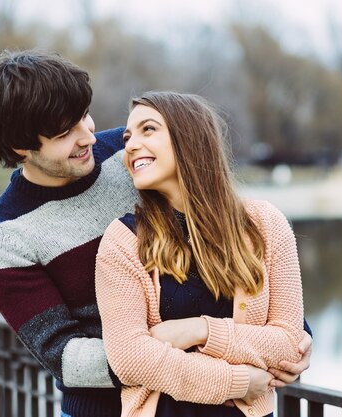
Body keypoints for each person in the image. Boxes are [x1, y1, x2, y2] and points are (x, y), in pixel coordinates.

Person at [0, 50, 312, 417]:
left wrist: (277, 337)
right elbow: (67, 357)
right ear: (21, 148)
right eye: (64, 133)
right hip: (106, 409)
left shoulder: (131, 151)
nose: (87, 135)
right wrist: (215, 371)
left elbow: (224, 239)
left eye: (84, 117)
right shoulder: (2, 235)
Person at [95, 91, 306, 417]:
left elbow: (287, 344)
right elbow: (130, 358)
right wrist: (235, 381)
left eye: (147, 129)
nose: (130, 145)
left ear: (189, 137)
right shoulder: (123, 241)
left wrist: (199, 330)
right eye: (128, 136)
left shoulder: (264, 224)